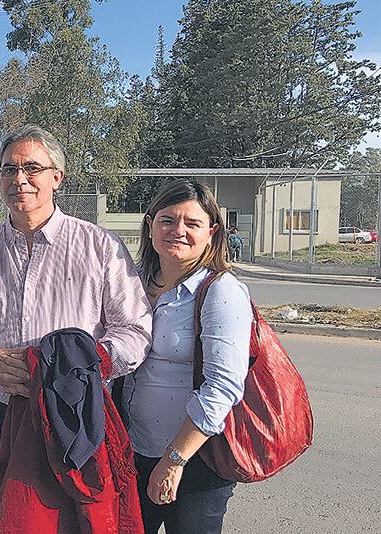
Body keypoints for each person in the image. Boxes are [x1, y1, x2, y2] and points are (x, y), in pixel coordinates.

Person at [0, 124, 152, 527]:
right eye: (8, 169)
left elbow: (135, 331)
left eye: (32, 168)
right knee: (0, 522)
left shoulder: (100, 248)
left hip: (71, 418)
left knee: (74, 524)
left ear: (57, 177)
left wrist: (82, 367)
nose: (19, 179)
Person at [125, 179, 252, 534]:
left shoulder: (221, 291)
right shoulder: (130, 284)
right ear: (150, 225)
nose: (178, 230)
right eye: (167, 220)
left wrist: (174, 459)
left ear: (211, 232)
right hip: (131, 450)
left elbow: (223, 386)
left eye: (192, 223)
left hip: (195, 460)